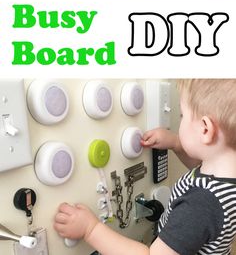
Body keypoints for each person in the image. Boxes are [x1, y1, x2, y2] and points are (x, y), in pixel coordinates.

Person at [54, 79, 236, 255]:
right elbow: (198, 168)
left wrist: (90, 229)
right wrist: (175, 143)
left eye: (182, 116)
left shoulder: (200, 205)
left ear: (205, 129)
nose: (180, 120)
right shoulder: (224, 174)